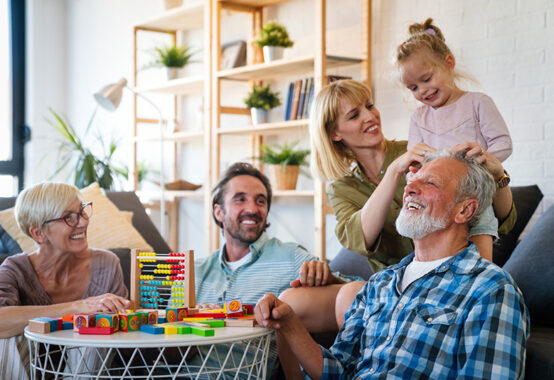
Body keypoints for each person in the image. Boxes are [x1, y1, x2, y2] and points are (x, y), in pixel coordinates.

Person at [256, 151, 530, 379]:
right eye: (412, 180)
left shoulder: (491, 290)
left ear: (464, 210)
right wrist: (289, 322)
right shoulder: (381, 283)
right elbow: (337, 371)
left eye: (430, 183)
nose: (409, 188)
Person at [193, 162, 352, 376]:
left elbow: (361, 291)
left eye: (261, 201)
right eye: (240, 199)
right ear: (219, 212)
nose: (252, 209)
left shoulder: (289, 257)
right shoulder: (196, 271)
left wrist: (329, 276)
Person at [396, 18, 513, 260]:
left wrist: (483, 157)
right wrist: (415, 172)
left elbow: (503, 143)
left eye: (426, 79)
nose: (422, 91)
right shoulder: (418, 118)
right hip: (436, 207)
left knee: (479, 265)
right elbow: (413, 164)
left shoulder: (477, 103)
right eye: (413, 88)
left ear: (449, 64)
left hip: (476, 198)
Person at [0, 182, 130, 380]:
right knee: (6, 337)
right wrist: (76, 308)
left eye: (82, 211)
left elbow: (125, 328)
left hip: (90, 370)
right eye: (68, 217)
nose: (83, 222)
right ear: (39, 233)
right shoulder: (15, 269)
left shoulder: (107, 264)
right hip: (26, 370)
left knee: (96, 327)